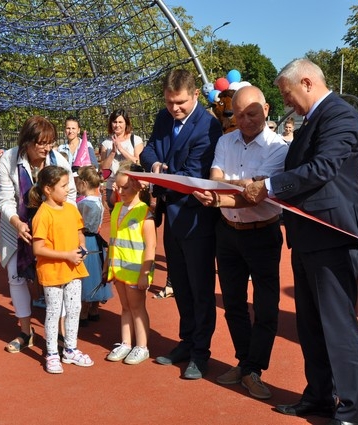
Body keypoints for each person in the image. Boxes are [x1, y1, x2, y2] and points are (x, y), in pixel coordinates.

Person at [242, 58, 358, 423]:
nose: (286, 102)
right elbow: (298, 171)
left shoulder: (341, 116)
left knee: (338, 327)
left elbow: (323, 167)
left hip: (333, 238)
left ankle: (351, 409)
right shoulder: (311, 121)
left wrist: (271, 186)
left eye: (287, 93)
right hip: (307, 237)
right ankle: (319, 396)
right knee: (311, 327)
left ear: (306, 83)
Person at [192, 86, 288, 399]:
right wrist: (240, 186)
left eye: (252, 113)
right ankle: (245, 364)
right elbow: (220, 180)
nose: (244, 120)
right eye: (238, 114)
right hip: (228, 234)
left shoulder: (279, 148)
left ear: (267, 109)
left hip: (263, 233)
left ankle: (253, 368)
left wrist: (226, 192)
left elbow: (255, 195)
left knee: (265, 307)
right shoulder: (224, 141)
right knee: (233, 304)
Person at [140, 69, 222, 380]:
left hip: (196, 221)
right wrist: (157, 165)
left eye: (181, 103)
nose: (175, 108)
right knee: (182, 288)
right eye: (170, 102)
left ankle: (201, 354)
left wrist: (160, 171)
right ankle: (186, 342)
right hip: (171, 219)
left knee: (201, 290)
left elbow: (190, 175)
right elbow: (148, 151)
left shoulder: (208, 127)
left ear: (196, 95)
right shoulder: (164, 118)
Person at [0, 115, 76, 354]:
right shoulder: (9, 159)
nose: (46, 148)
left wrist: (60, 223)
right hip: (16, 228)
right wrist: (17, 223)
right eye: (41, 143)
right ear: (27, 141)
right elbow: (5, 199)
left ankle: (60, 333)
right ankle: (25, 331)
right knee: (16, 277)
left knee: (57, 278)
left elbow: (69, 195)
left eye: (49, 142)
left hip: (53, 229)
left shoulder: (59, 160)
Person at [30, 165, 93, 373]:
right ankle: (52, 353)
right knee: (54, 311)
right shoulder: (42, 214)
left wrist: (82, 245)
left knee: (74, 310)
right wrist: (66, 255)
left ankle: (70, 349)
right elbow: (38, 248)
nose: (68, 190)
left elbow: (79, 233)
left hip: (73, 269)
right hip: (53, 272)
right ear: (48, 189)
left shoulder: (71, 209)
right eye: (64, 186)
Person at [105, 169, 156, 365]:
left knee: (137, 307)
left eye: (125, 187)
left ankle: (141, 346)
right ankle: (126, 343)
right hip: (118, 269)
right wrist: (106, 264)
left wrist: (145, 273)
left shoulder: (145, 211)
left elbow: (150, 245)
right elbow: (113, 240)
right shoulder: (117, 208)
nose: (121, 191)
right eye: (118, 187)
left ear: (136, 186)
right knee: (125, 307)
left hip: (136, 271)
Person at [74, 165, 112, 326]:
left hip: (86, 239)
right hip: (96, 239)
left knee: (86, 274)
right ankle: (94, 310)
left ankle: (83, 311)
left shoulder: (84, 204)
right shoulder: (98, 201)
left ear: (83, 183)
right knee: (97, 273)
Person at [100, 109, 144, 210]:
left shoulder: (136, 140)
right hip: (113, 187)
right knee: (117, 218)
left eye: (120, 122)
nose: (117, 125)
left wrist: (121, 149)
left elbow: (137, 162)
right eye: (114, 122)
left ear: (126, 123)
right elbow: (103, 170)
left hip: (132, 186)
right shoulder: (106, 143)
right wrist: (113, 152)